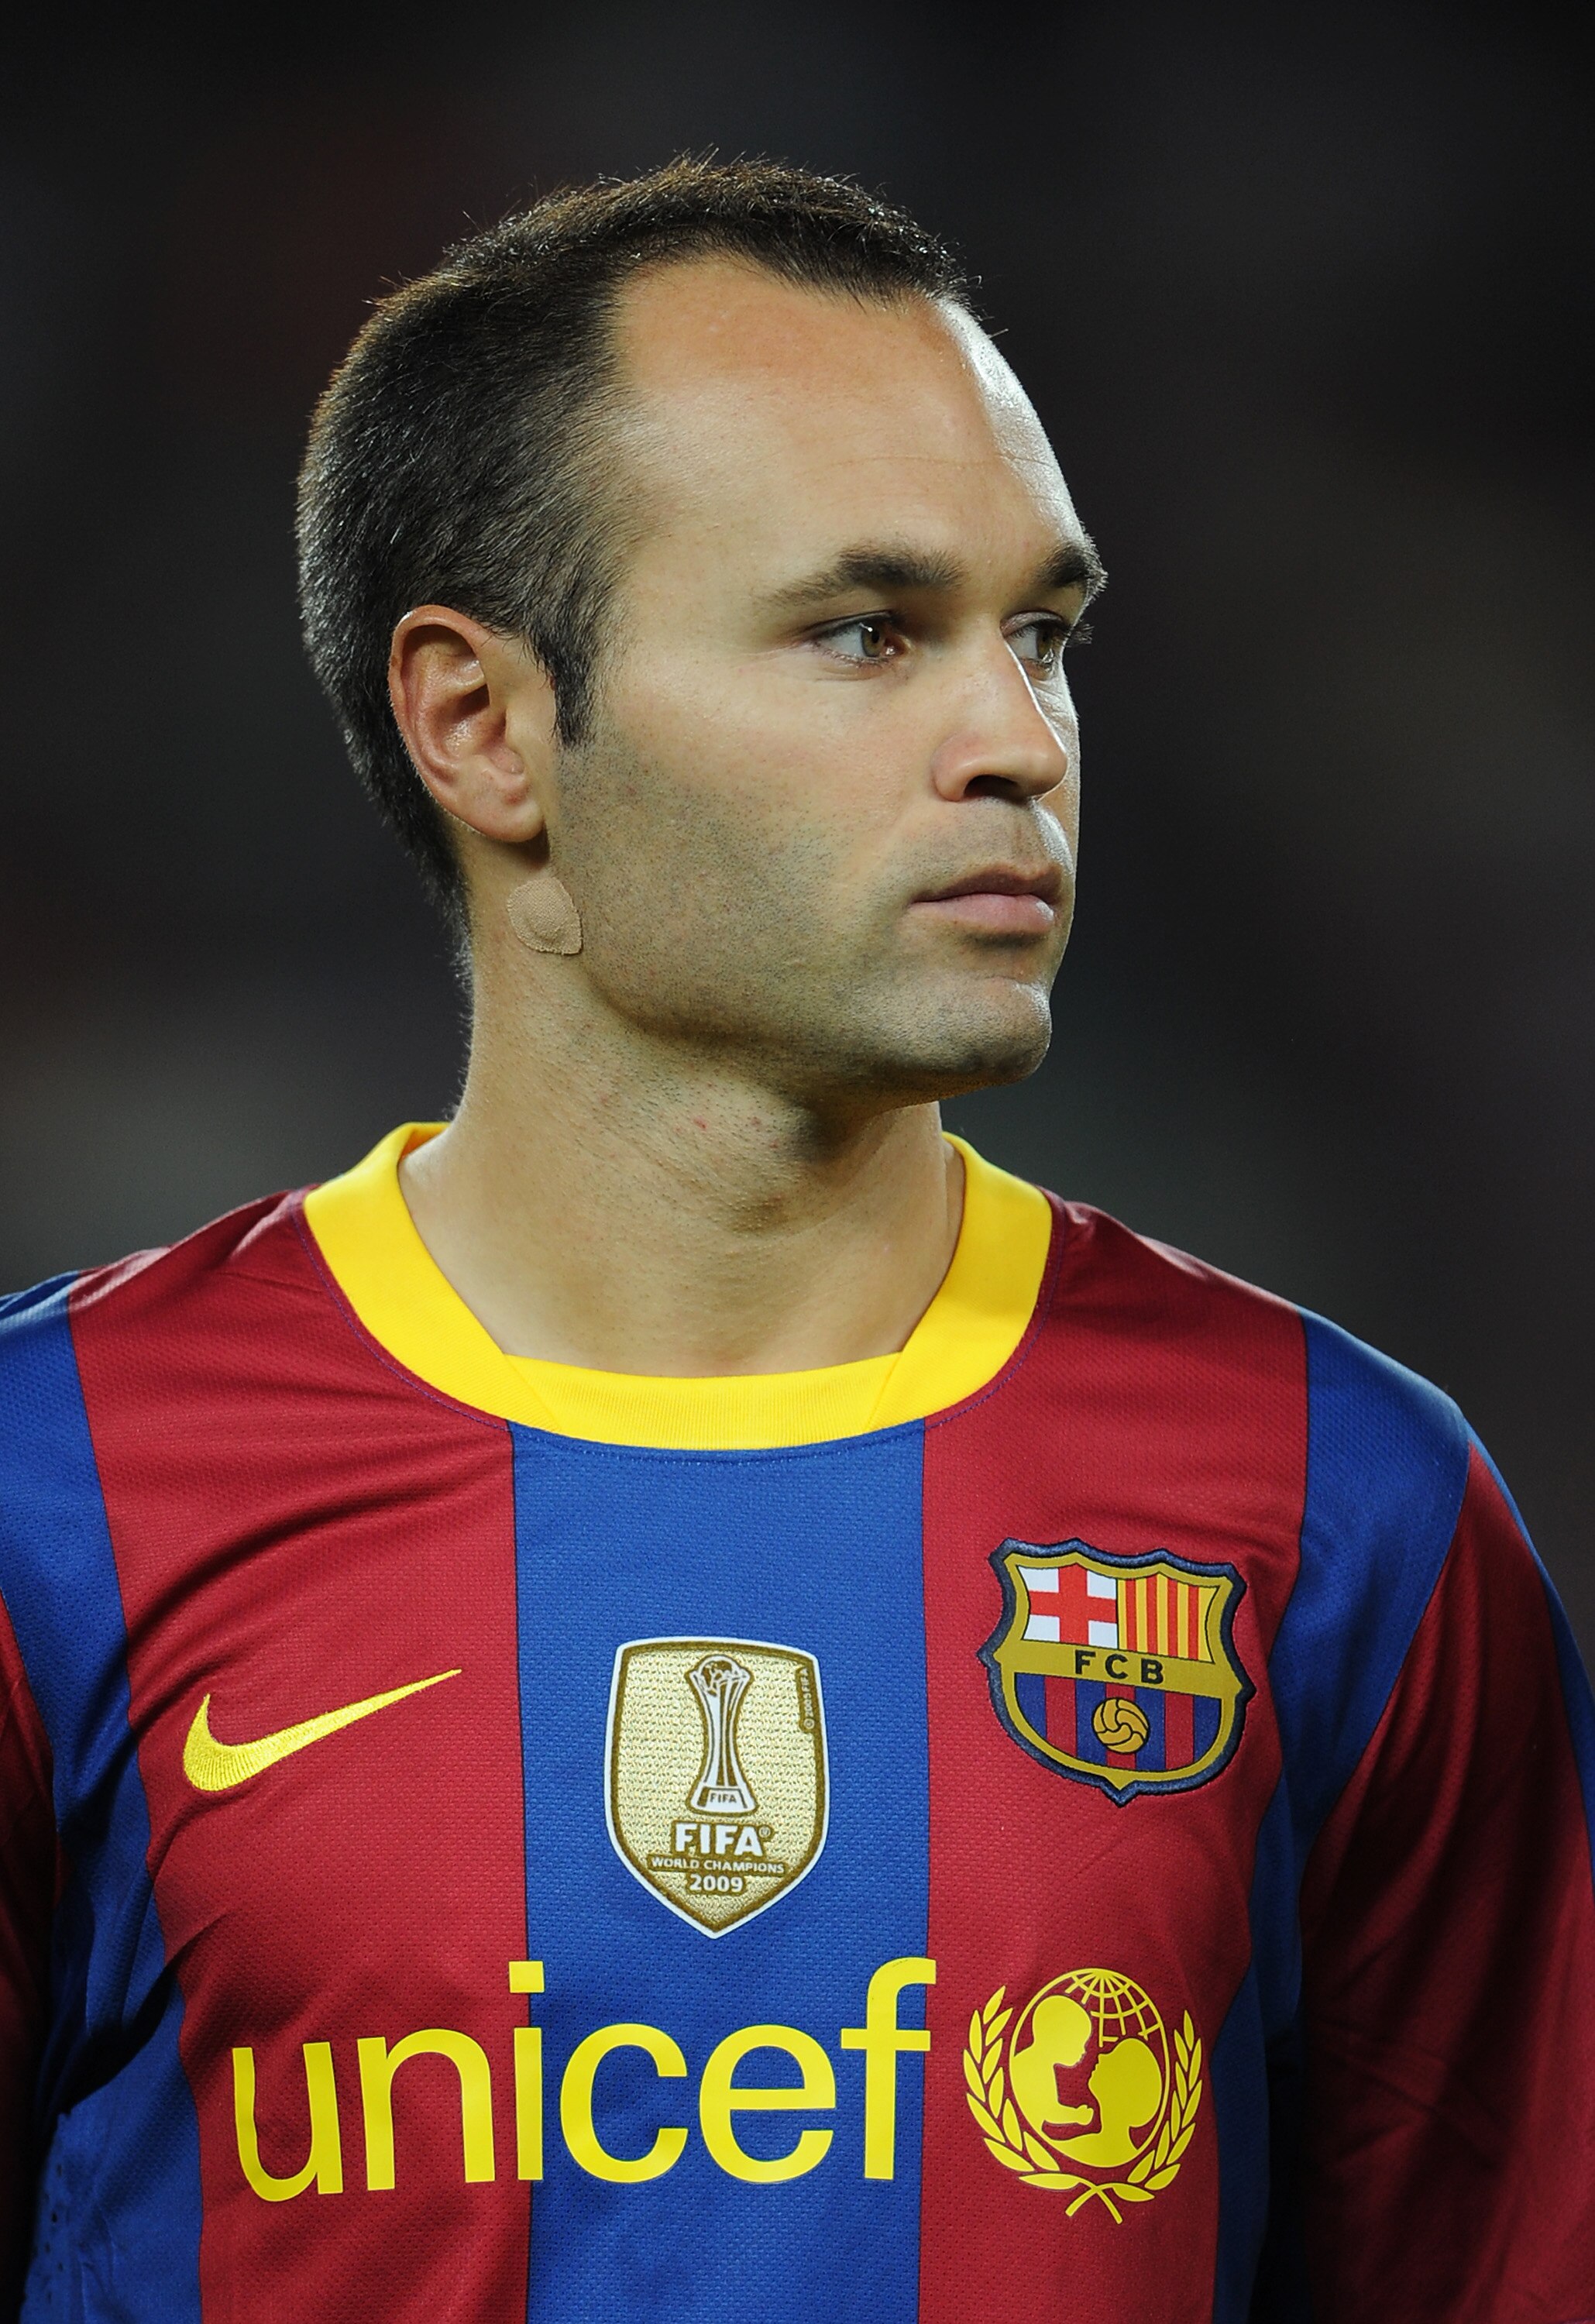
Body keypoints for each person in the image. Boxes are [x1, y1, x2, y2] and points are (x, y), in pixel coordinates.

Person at [0, 156, 1590, 2324]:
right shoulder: (54, 1498)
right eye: (868, 632)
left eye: (1042, 636)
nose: (1018, 745)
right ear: (482, 724)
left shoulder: (1341, 1502)